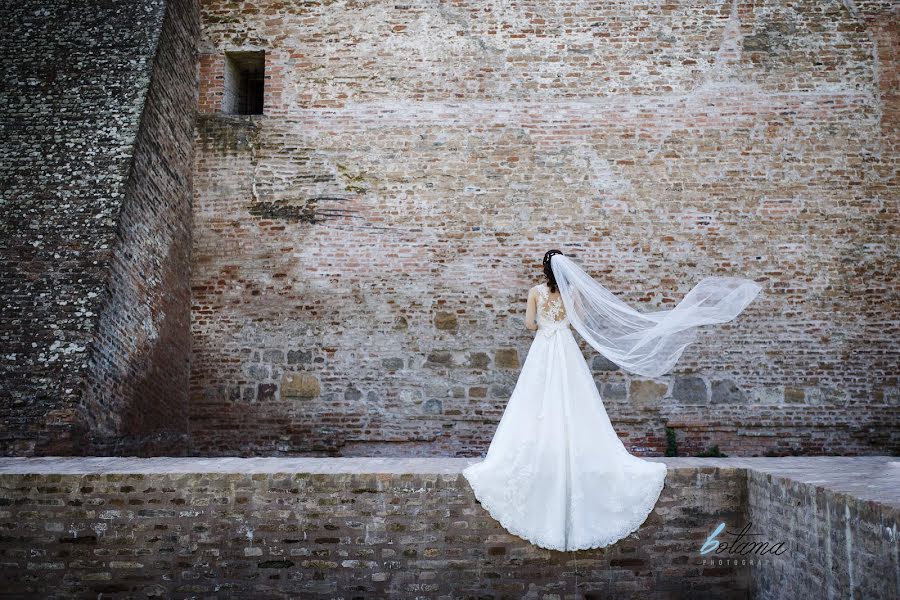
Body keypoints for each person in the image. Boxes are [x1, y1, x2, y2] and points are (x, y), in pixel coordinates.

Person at [462, 249, 762, 551]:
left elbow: (530, 325)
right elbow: (578, 322)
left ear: (543, 268)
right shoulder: (572, 292)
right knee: (574, 403)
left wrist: (545, 321)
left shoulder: (535, 292)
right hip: (566, 349)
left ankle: (545, 453)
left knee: (536, 403)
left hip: (544, 349)